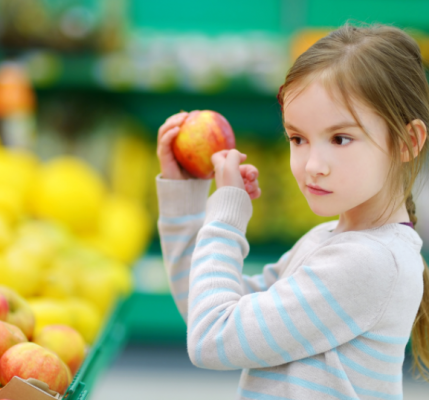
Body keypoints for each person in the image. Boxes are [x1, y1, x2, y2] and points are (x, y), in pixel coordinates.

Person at [155, 22, 429, 399]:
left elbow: (212, 338)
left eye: (340, 138)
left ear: (407, 141)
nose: (312, 164)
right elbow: (204, 306)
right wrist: (187, 197)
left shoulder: (369, 262)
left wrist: (227, 215)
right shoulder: (328, 241)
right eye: (298, 138)